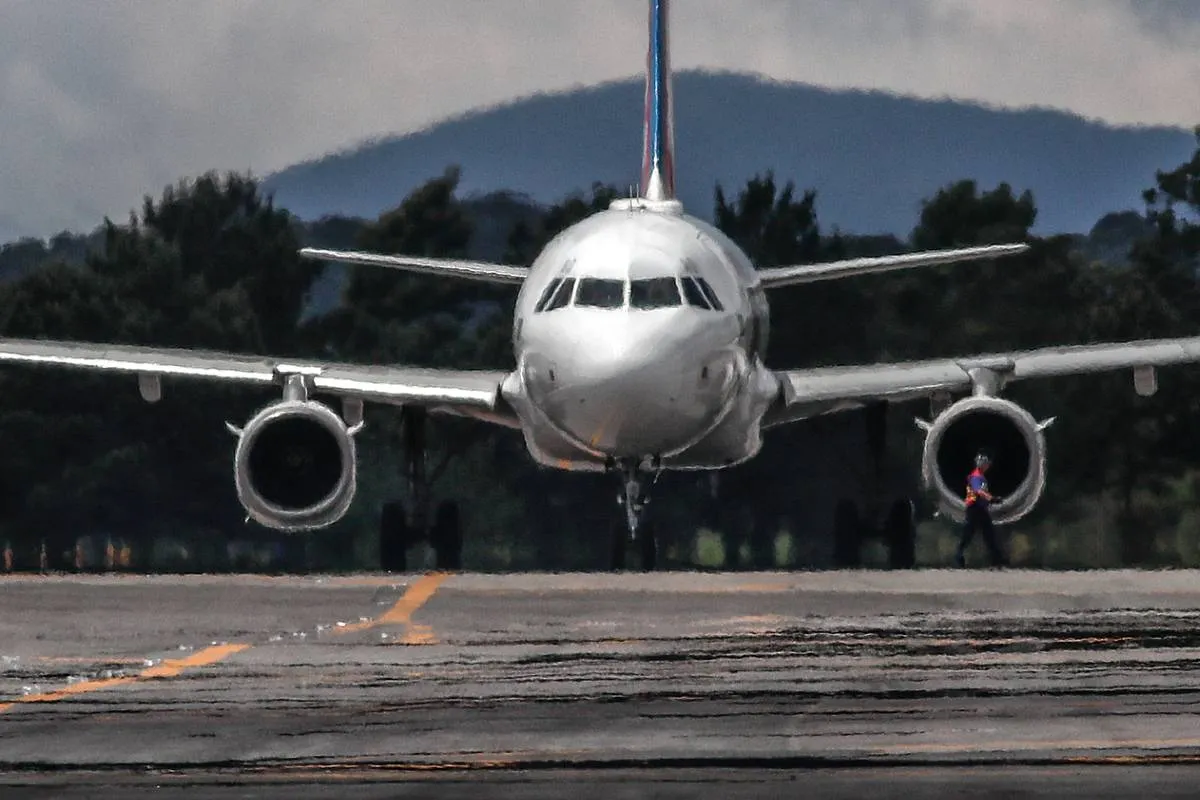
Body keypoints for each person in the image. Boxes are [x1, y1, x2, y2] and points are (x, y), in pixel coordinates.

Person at [954, 452, 1007, 567]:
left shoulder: (980, 476)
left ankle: (997, 559)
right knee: (969, 535)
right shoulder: (976, 477)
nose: (988, 466)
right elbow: (979, 491)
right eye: (986, 464)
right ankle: (958, 556)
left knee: (988, 534)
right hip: (974, 509)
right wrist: (991, 498)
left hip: (980, 508)